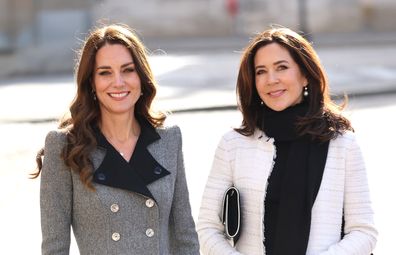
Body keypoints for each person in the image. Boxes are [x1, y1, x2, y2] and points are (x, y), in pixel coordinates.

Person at [197, 27, 377, 255]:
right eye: (261, 72)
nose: (271, 80)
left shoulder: (342, 144)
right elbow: (208, 229)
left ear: (305, 75)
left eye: (281, 67)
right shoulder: (233, 144)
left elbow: (363, 232)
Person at [32, 23, 200, 255]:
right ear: (91, 82)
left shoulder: (169, 139)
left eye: (128, 70)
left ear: (141, 77)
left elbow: (185, 236)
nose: (118, 82)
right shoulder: (65, 146)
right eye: (105, 72)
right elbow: (54, 247)